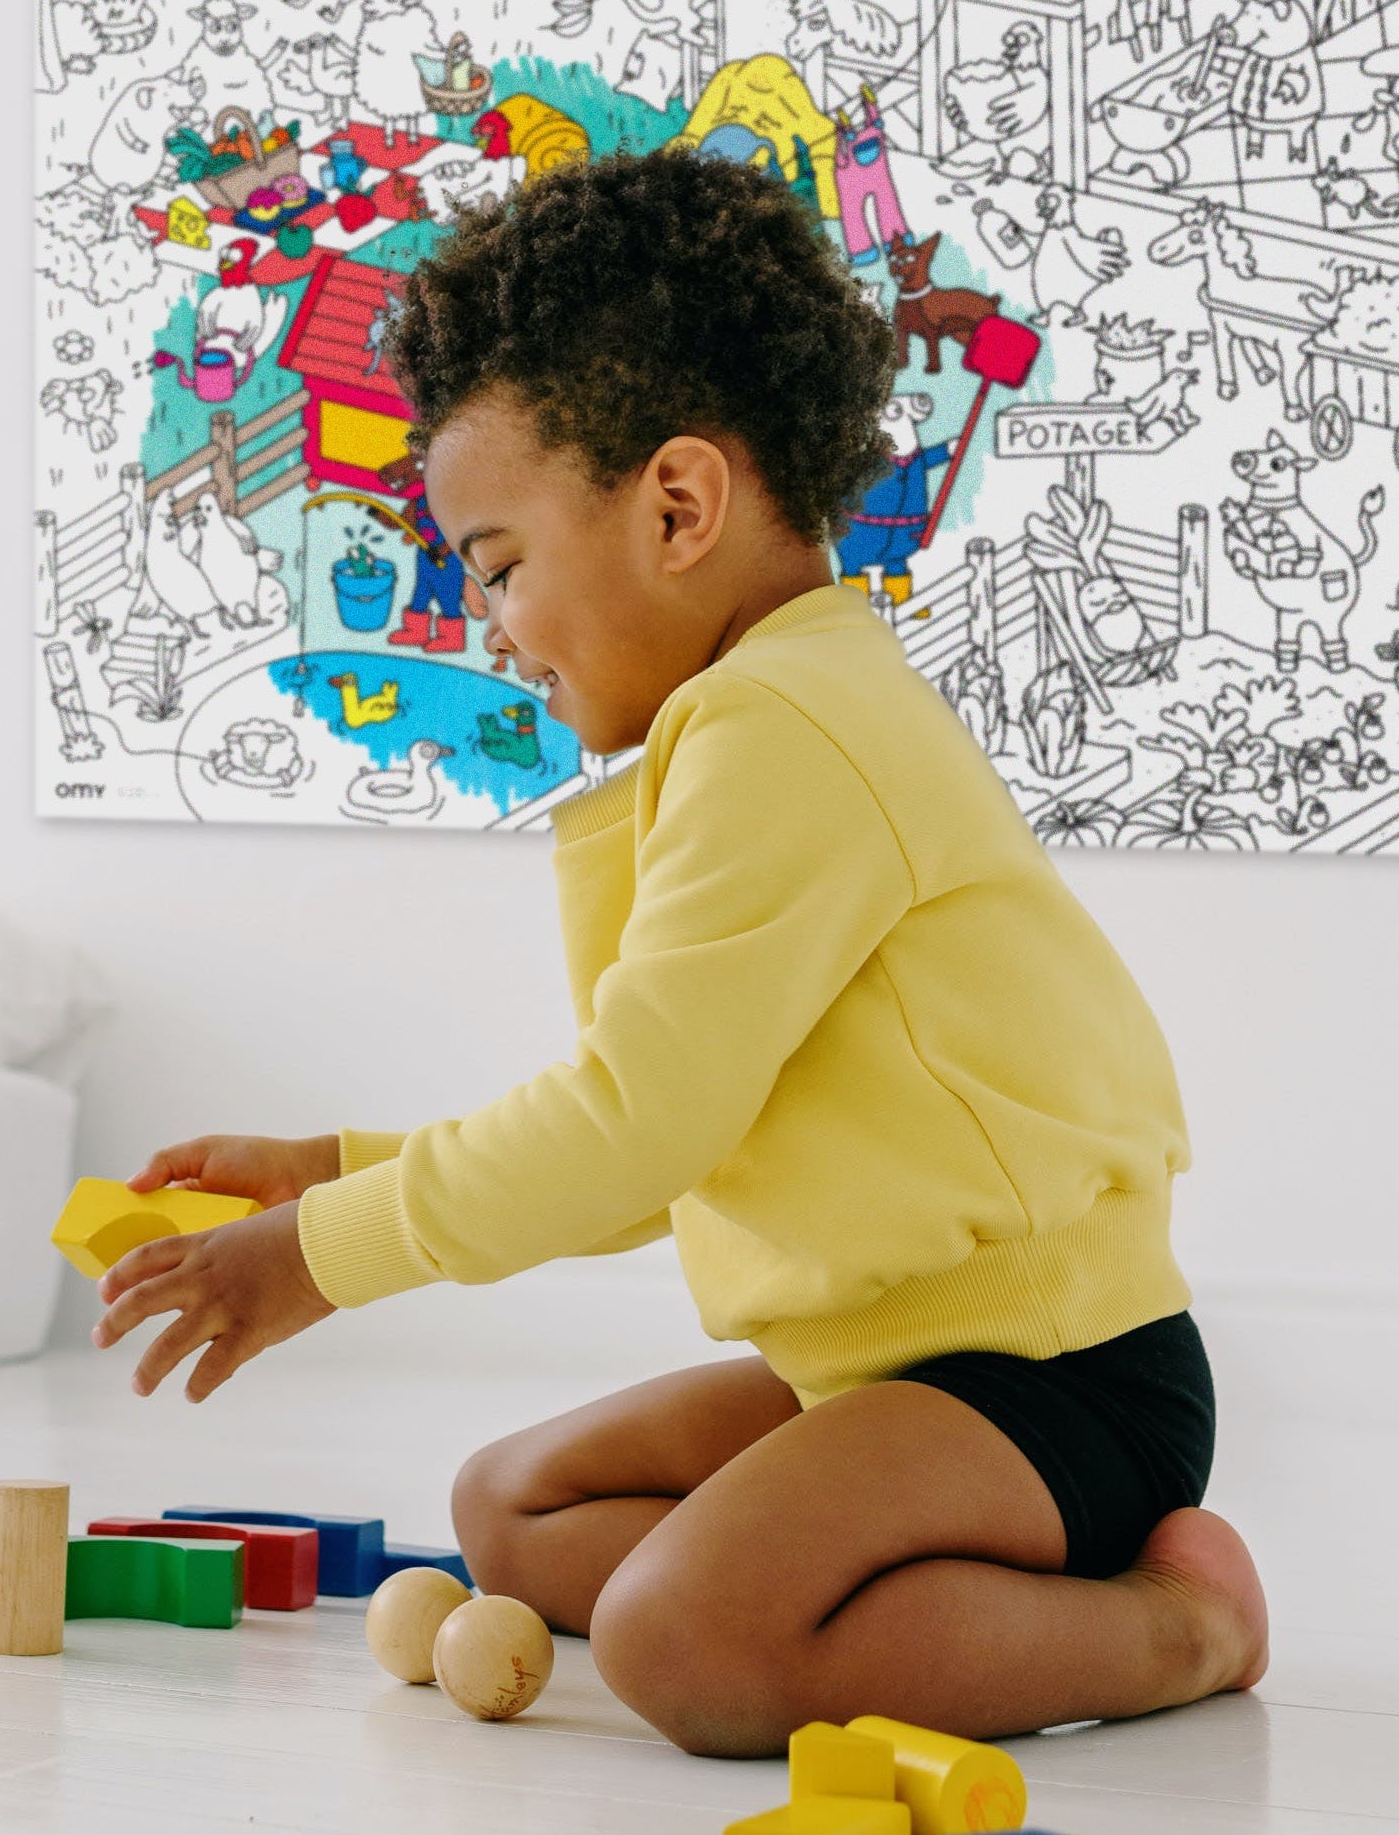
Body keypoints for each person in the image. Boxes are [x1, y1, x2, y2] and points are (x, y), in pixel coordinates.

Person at [90, 146, 1267, 1757]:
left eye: (498, 565)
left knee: (685, 1644)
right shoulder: (755, 710)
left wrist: (316, 1252)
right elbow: (663, 1136)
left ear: (676, 504)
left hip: (1051, 1373)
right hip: (882, 1368)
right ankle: (891, 1579)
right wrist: (333, 1163)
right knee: (507, 1509)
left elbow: (630, 1121)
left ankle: (1169, 1623)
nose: (490, 622)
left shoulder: (783, 720)